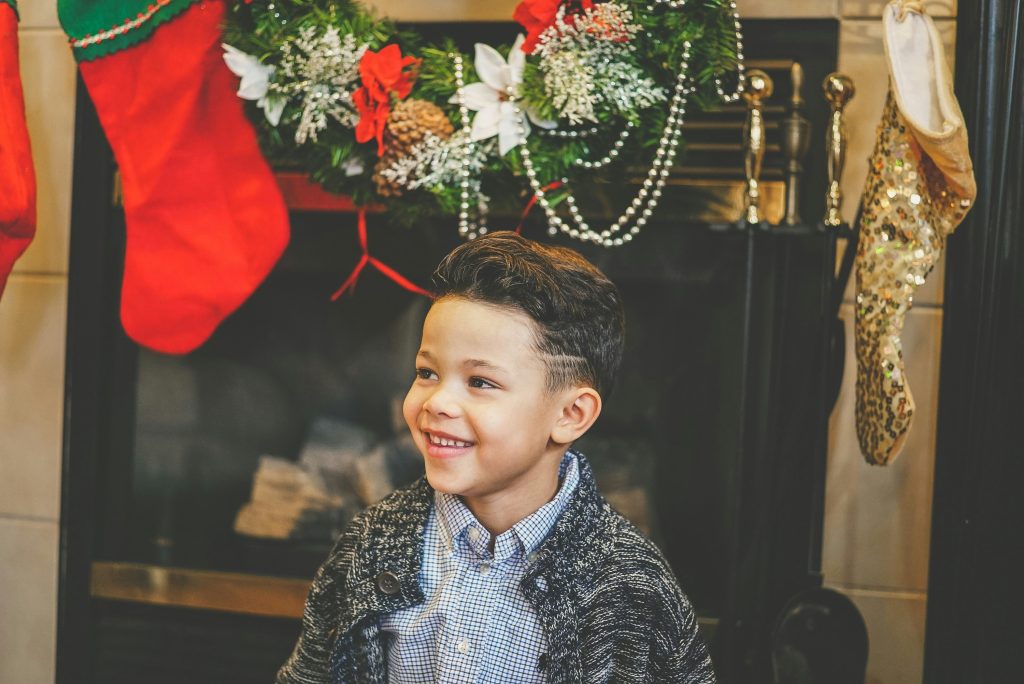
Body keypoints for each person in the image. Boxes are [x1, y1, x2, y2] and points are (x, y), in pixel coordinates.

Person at [277, 231, 715, 683]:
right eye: (427, 372)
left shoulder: (628, 584)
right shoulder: (373, 541)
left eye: (480, 382)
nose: (438, 403)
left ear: (570, 414)